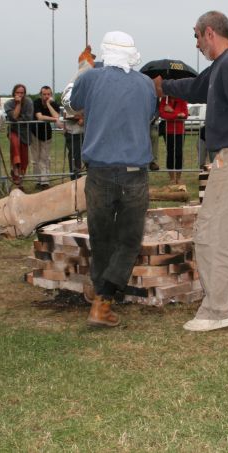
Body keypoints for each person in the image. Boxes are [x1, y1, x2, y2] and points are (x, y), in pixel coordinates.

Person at [155, 10, 228, 332]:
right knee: (226, 227)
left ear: (209, 32)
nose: (195, 44)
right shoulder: (220, 68)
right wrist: (162, 86)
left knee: (209, 232)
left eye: (196, 36)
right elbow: (195, 87)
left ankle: (218, 311)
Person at [68, 32, 156, 328]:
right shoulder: (145, 83)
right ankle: (103, 300)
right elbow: (148, 116)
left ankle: (100, 294)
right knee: (129, 239)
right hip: (133, 172)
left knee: (101, 236)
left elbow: (71, 104)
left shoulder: (90, 78)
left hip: (99, 172)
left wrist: (83, 67)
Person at [61, 46, 95, 180]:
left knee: (89, 157)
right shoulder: (75, 82)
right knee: (75, 157)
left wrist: (85, 118)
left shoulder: (88, 83)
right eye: (91, 60)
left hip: (86, 131)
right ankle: (75, 179)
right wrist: (80, 117)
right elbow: (69, 108)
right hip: (74, 130)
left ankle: (90, 178)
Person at [30, 85, 62, 189]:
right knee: (36, 158)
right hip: (34, 133)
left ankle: (45, 181)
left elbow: (57, 116)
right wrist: (54, 119)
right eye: (44, 94)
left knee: (45, 158)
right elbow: (40, 117)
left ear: (51, 95)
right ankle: (38, 180)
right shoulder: (37, 102)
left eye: (48, 94)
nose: (46, 96)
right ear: (41, 94)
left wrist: (48, 104)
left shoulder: (53, 104)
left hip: (47, 134)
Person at [4, 83, 33, 189]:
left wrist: (17, 119)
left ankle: (20, 180)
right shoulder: (8, 103)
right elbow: (14, 117)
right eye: (17, 92)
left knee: (24, 158)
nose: (20, 95)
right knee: (15, 145)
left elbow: (28, 118)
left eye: (22, 93)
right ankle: (15, 170)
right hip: (14, 131)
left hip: (25, 133)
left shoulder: (29, 102)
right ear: (13, 93)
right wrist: (18, 104)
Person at [158, 95, 188, 185]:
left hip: (180, 131)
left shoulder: (182, 99)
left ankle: (178, 178)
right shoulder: (164, 100)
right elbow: (162, 114)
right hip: (169, 131)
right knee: (170, 153)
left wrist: (172, 112)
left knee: (179, 153)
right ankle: (172, 178)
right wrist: (177, 114)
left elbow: (185, 115)